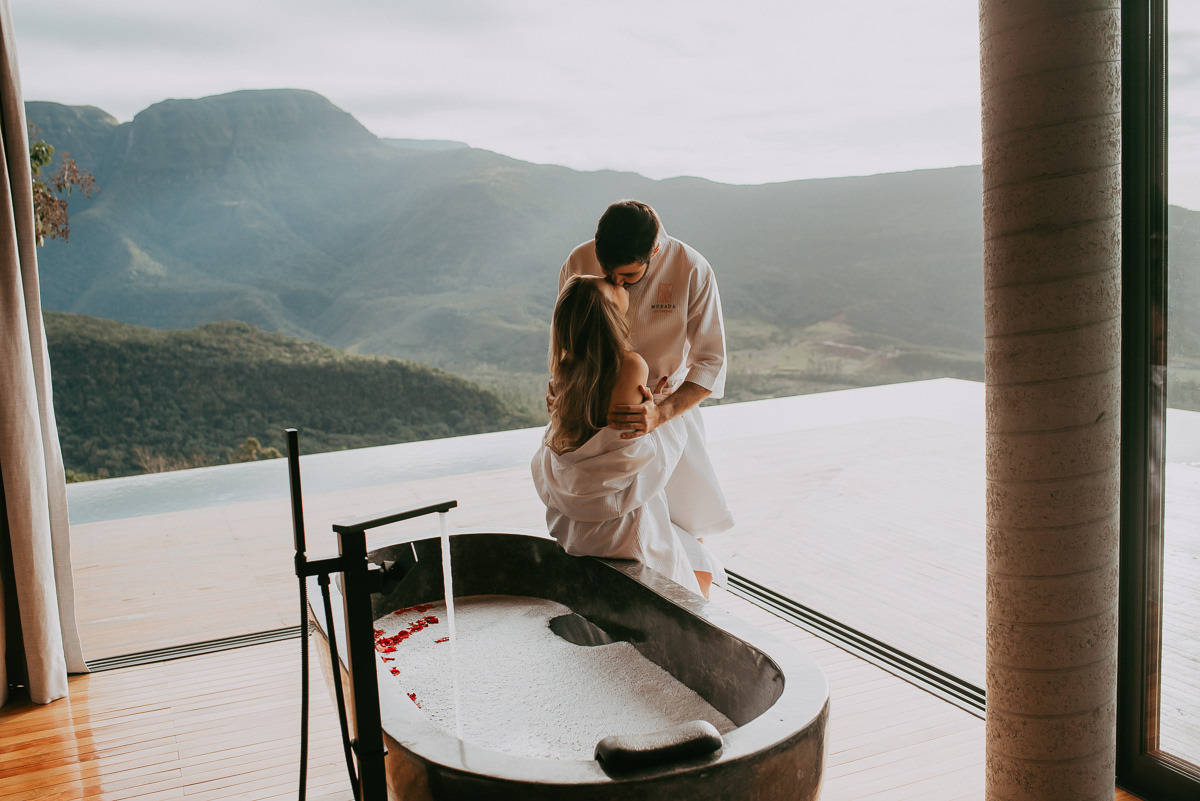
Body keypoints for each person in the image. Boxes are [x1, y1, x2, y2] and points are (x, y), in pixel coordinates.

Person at [531, 275, 725, 597]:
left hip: (577, 522)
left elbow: (601, 428)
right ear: (606, 312)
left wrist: (650, 401)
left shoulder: (565, 367)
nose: (615, 281)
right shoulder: (631, 365)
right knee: (686, 569)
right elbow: (626, 451)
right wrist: (663, 414)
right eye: (610, 286)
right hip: (616, 518)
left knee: (688, 551)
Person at [559, 200, 734, 555]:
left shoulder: (691, 268)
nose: (614, 282)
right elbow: (568, 336)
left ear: (654, 250)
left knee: (682, 522)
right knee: (613, 527)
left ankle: (691, 603)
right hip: (594, 413)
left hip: (665, 407)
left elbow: (710, 361)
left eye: (628, 276)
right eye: (607, 272)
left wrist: (661, 413)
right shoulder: (579, 260)